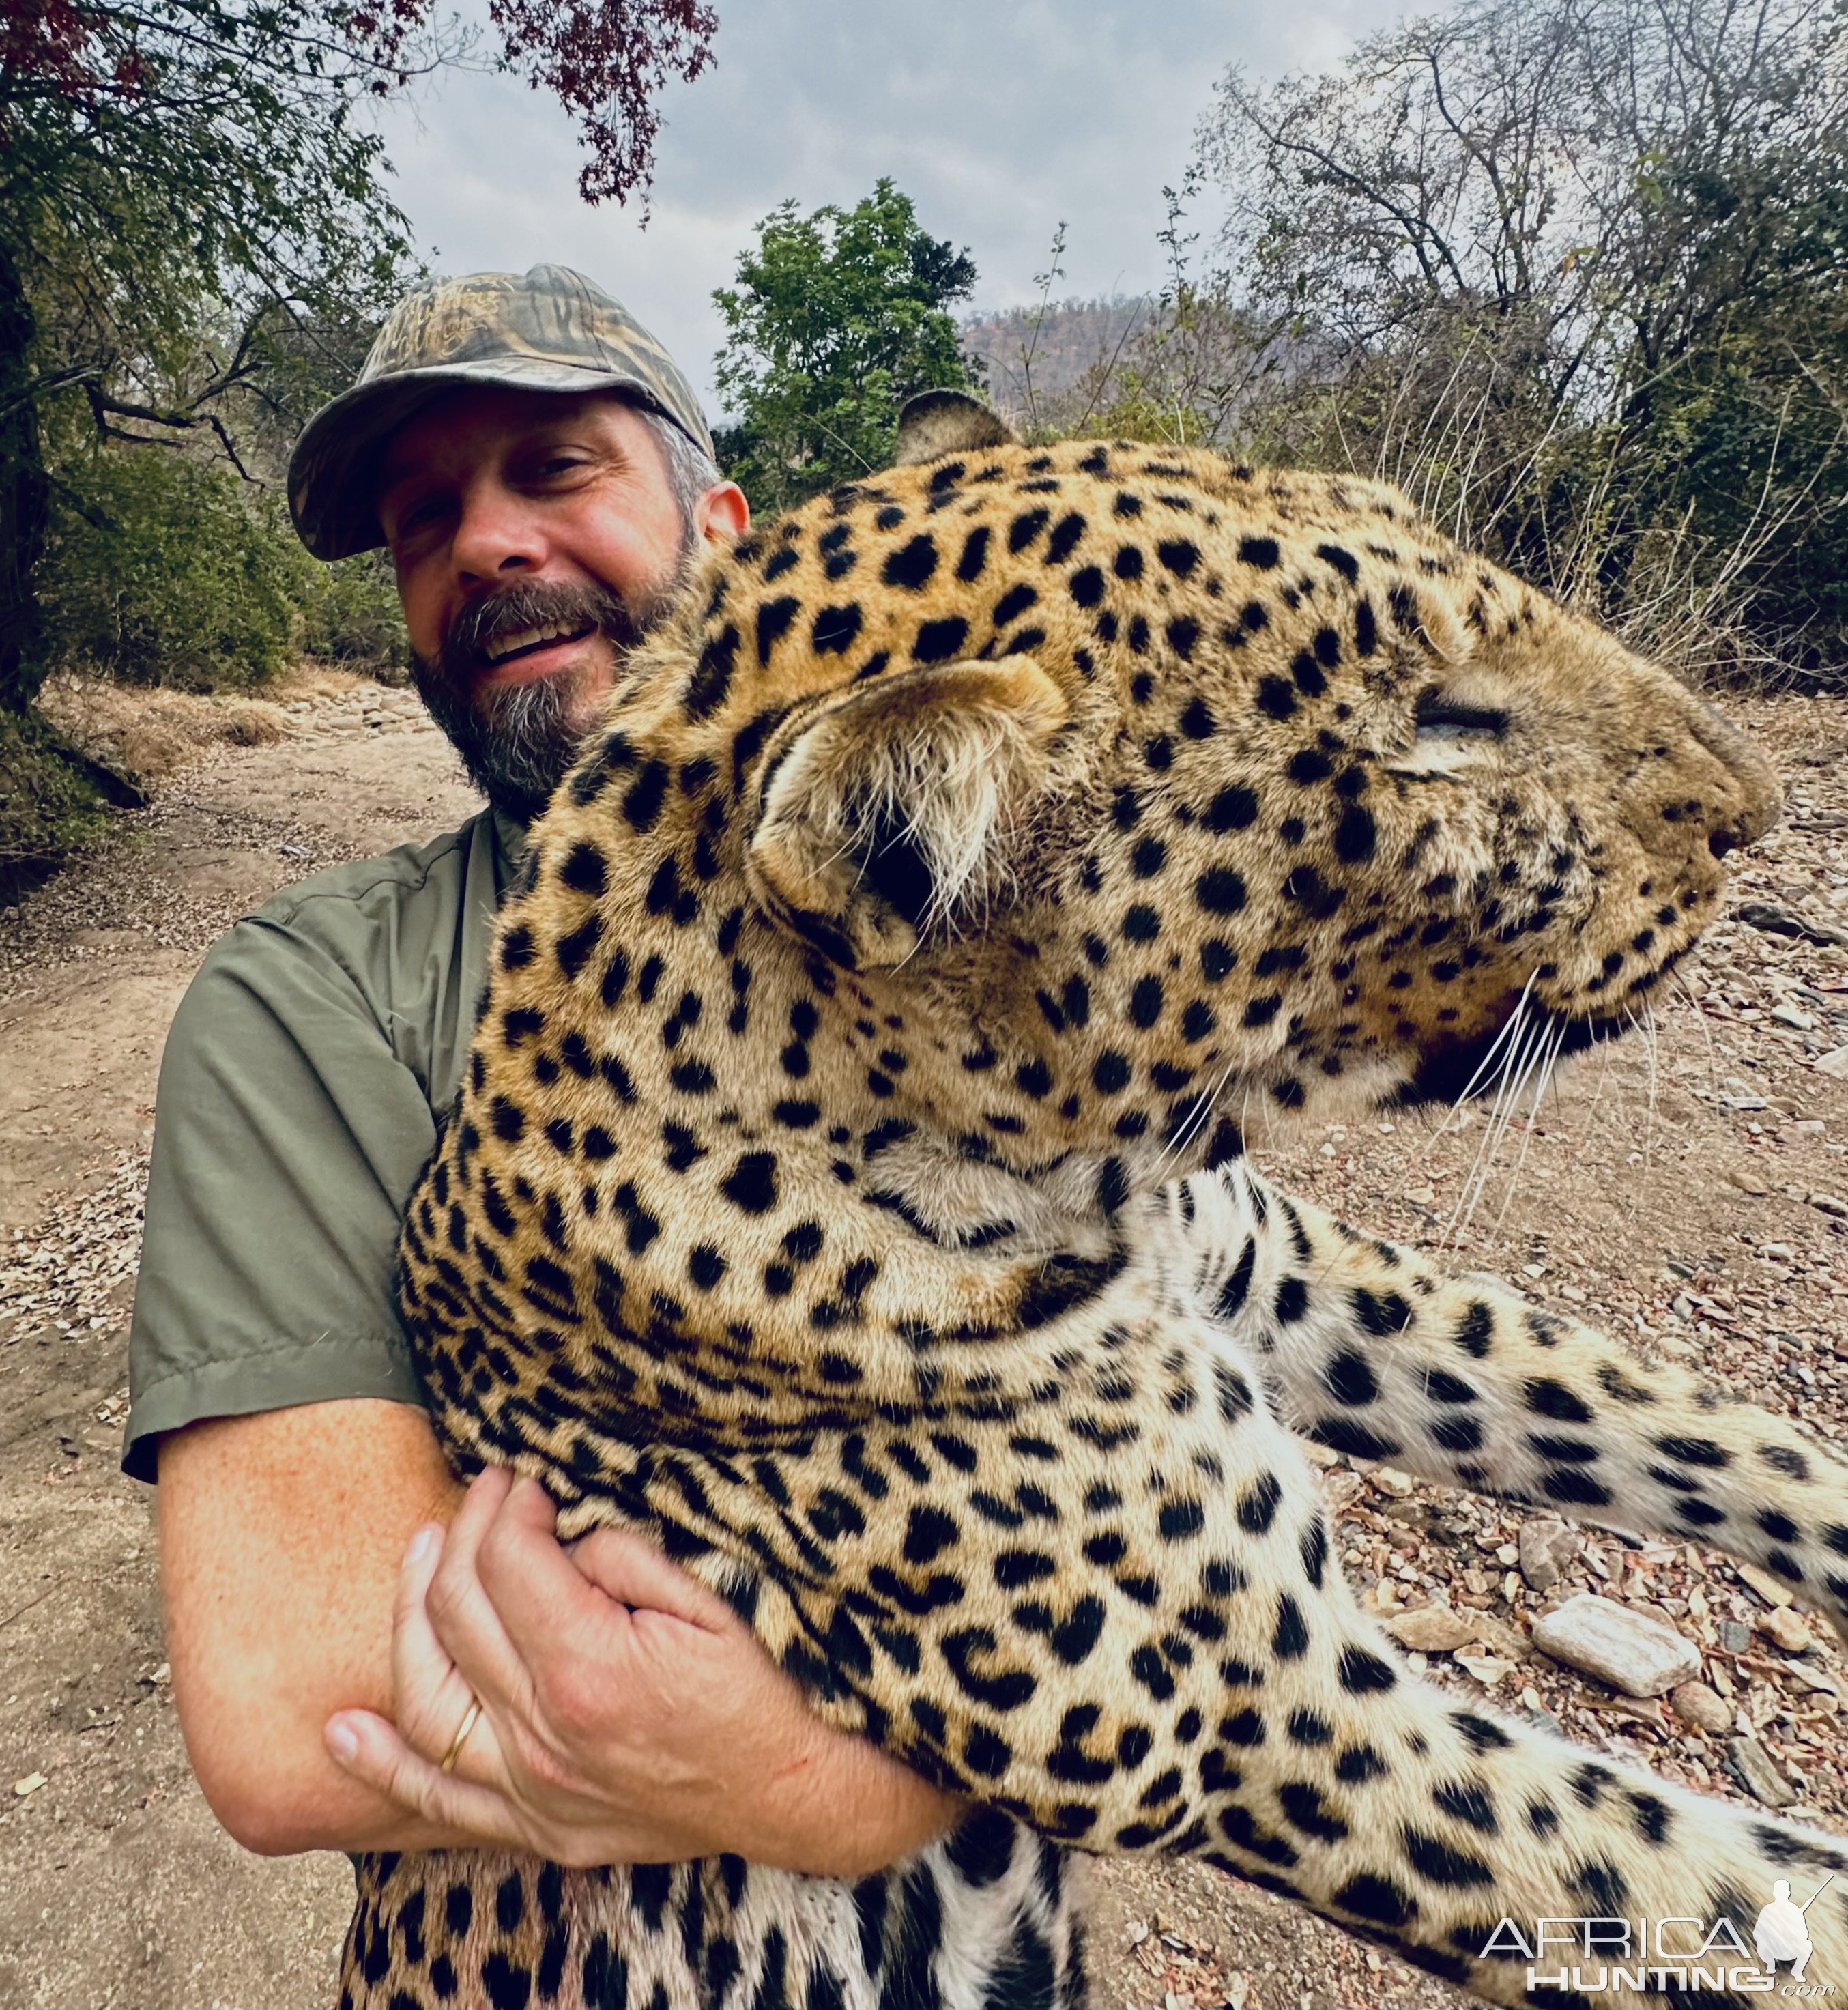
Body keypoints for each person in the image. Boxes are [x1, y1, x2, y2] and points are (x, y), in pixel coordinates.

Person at [131, 265, 960, 1878]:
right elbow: (306, 1710)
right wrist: (871, 1777)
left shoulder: (952, 850)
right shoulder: (312, 1000)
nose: (487, 546)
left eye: (555, 469)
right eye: (423, 521)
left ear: (720, 522)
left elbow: (1187, 1404)